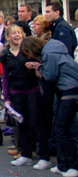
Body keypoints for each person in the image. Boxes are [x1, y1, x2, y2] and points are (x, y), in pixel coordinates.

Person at [24, 37, 78, 176]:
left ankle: (73, 166)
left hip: (68, 90)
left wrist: (39, 67)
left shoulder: (48, 54)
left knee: (60, 129)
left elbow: (50, 76)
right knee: (63, 128)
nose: (29, 56)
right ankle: (63, 164)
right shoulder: (55, 49)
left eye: (28, 53)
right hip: (69, 90)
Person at [0, 25, 50, 169]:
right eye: (13, 33)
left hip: (32, 91)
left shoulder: (29, 51)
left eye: (19, 33)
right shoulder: (5, 55)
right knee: (22, 125)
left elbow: (41, 66)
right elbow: (5, 78)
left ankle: (44, 157)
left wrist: (34, 66)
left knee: (37, 124)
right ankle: (26, 154)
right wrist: (6, 96)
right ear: (8, 37)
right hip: (16, 93)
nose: (17, 35)